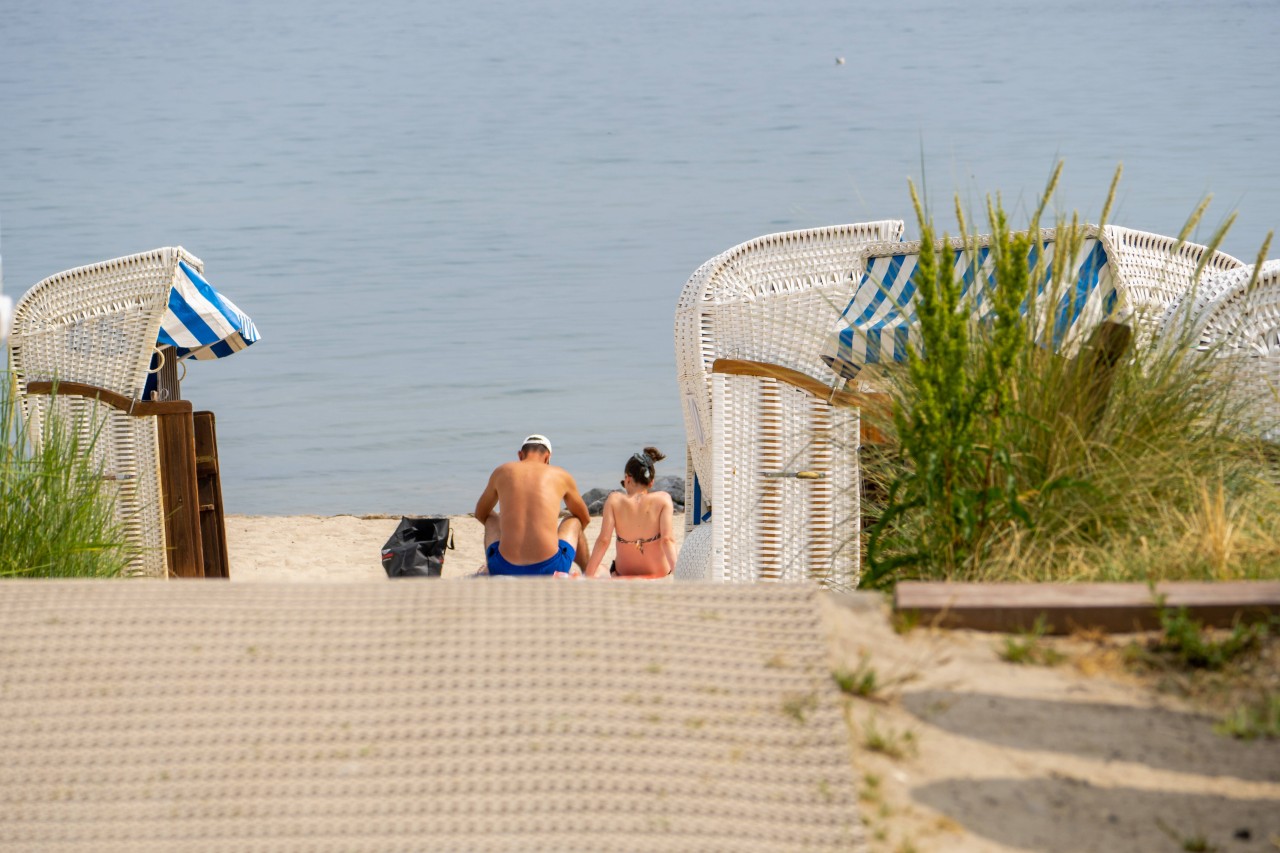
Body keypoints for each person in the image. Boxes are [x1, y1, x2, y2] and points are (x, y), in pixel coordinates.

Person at [474, 434, 591, 576]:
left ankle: (491, 568)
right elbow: (585, 518)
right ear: (547, 457)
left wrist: (506, 530)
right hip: (551, 568)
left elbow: (480, 513)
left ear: (520, 455)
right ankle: (588, 572)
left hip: (503, 567)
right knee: (574, 520)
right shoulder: (560, 475)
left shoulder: (502, 471)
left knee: (491, 518)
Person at [583, 447, 676, 579]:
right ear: (651, 483)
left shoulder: (614, 500)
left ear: (627, 478)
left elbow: (604, 541)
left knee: (600, 569)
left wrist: (589, 575)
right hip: (659, 572)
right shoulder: (663, 499)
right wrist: (679, 575)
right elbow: (668, 540)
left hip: (625, 573)